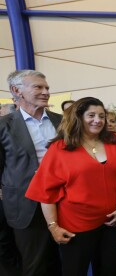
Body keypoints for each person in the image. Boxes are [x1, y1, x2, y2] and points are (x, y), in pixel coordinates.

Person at [26, 97, 116, 276]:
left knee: (113, 270)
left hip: (112, 222)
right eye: (91, 115)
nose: (98, 120)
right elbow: (45, 192)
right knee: (74, 271)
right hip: (75, 227)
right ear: (78, 117)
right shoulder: (60, 148)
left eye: (102, 116)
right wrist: (53, 226)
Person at [0, 70, 62, 276]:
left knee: (64, 262)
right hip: (26, 205)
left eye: (47, 88)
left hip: (65, 201)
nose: (45, 92)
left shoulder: (63, 122)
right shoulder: (3, 126)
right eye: (38, 87)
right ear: (16, 90)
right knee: (35, 265)